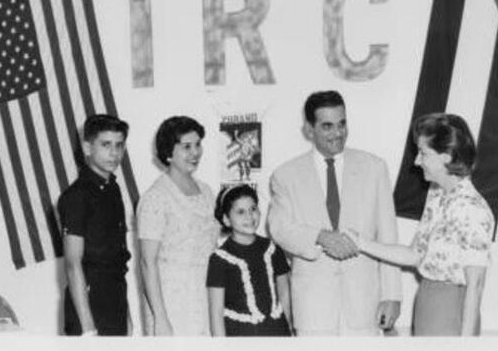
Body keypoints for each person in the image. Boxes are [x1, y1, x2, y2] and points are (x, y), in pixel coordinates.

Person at [267, 90, 402, 335]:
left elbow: (388, 236)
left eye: (342, 124)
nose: (338, 133)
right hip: (313, 308)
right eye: (327, 126)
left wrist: (392, 295)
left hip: (365, 305)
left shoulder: (374, 168)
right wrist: (320, 236)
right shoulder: (286, 175)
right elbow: (280, 228)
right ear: (309, 129)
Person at [347, 113, 495, 336]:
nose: (416, 161)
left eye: (423, 153)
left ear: (446, 157)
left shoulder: (472, 208)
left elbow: (476, 286)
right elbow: (413, 255)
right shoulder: (436, 194)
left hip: (452, 309)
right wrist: (360, 243)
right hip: (426, 301)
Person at [137, 116, 220, 335]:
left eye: (198, 144)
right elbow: (147, 263)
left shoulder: (207, 192)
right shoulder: (156, 197)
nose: (195, 152)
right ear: (168, 153)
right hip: (171, 303)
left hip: (205, 297)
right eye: (186, 147)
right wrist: (160, 319)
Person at [58, 114, 132, 336]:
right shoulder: (76, 196)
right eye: (106, 144)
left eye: (119, 145)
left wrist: (127, 316)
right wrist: (88, 327)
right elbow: (73, 264)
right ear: (87, 148)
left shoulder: (113, 189)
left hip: (115, 300)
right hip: (88, 304)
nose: (114, 152)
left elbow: (117, 262)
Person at [206, 184, 292, 336]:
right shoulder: (219, 259)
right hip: (240, 334)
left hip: (276, 331)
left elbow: (284, 293)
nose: (249, 216)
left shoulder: (272, 249)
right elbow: (216, 312)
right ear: (226, 219)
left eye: (253, 209)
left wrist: (288, 329)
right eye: (240, 212)